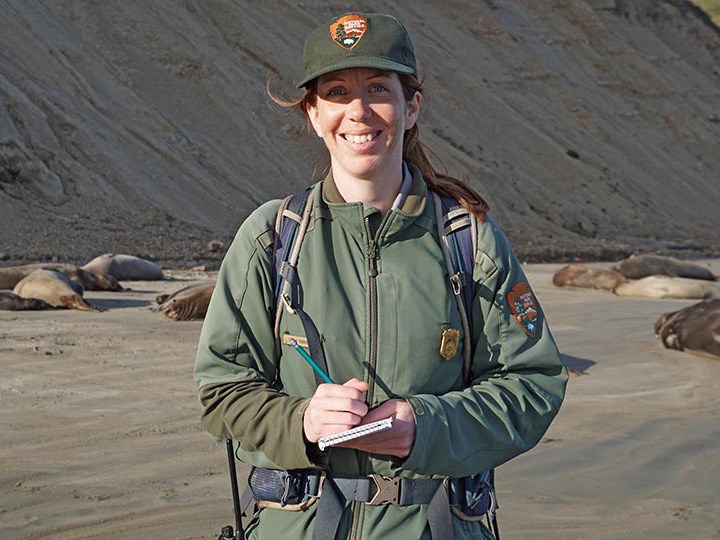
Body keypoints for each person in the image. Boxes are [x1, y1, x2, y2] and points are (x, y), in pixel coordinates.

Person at [194, 11, 567, 540]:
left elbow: (535, 385)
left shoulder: (469, 241)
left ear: (410, 106)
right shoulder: (272, 238)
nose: (359, 111)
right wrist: (300, 422)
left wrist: (427, 426)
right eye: (337, 92)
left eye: (377, 88)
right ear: (313, 113)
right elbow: (222, 390)